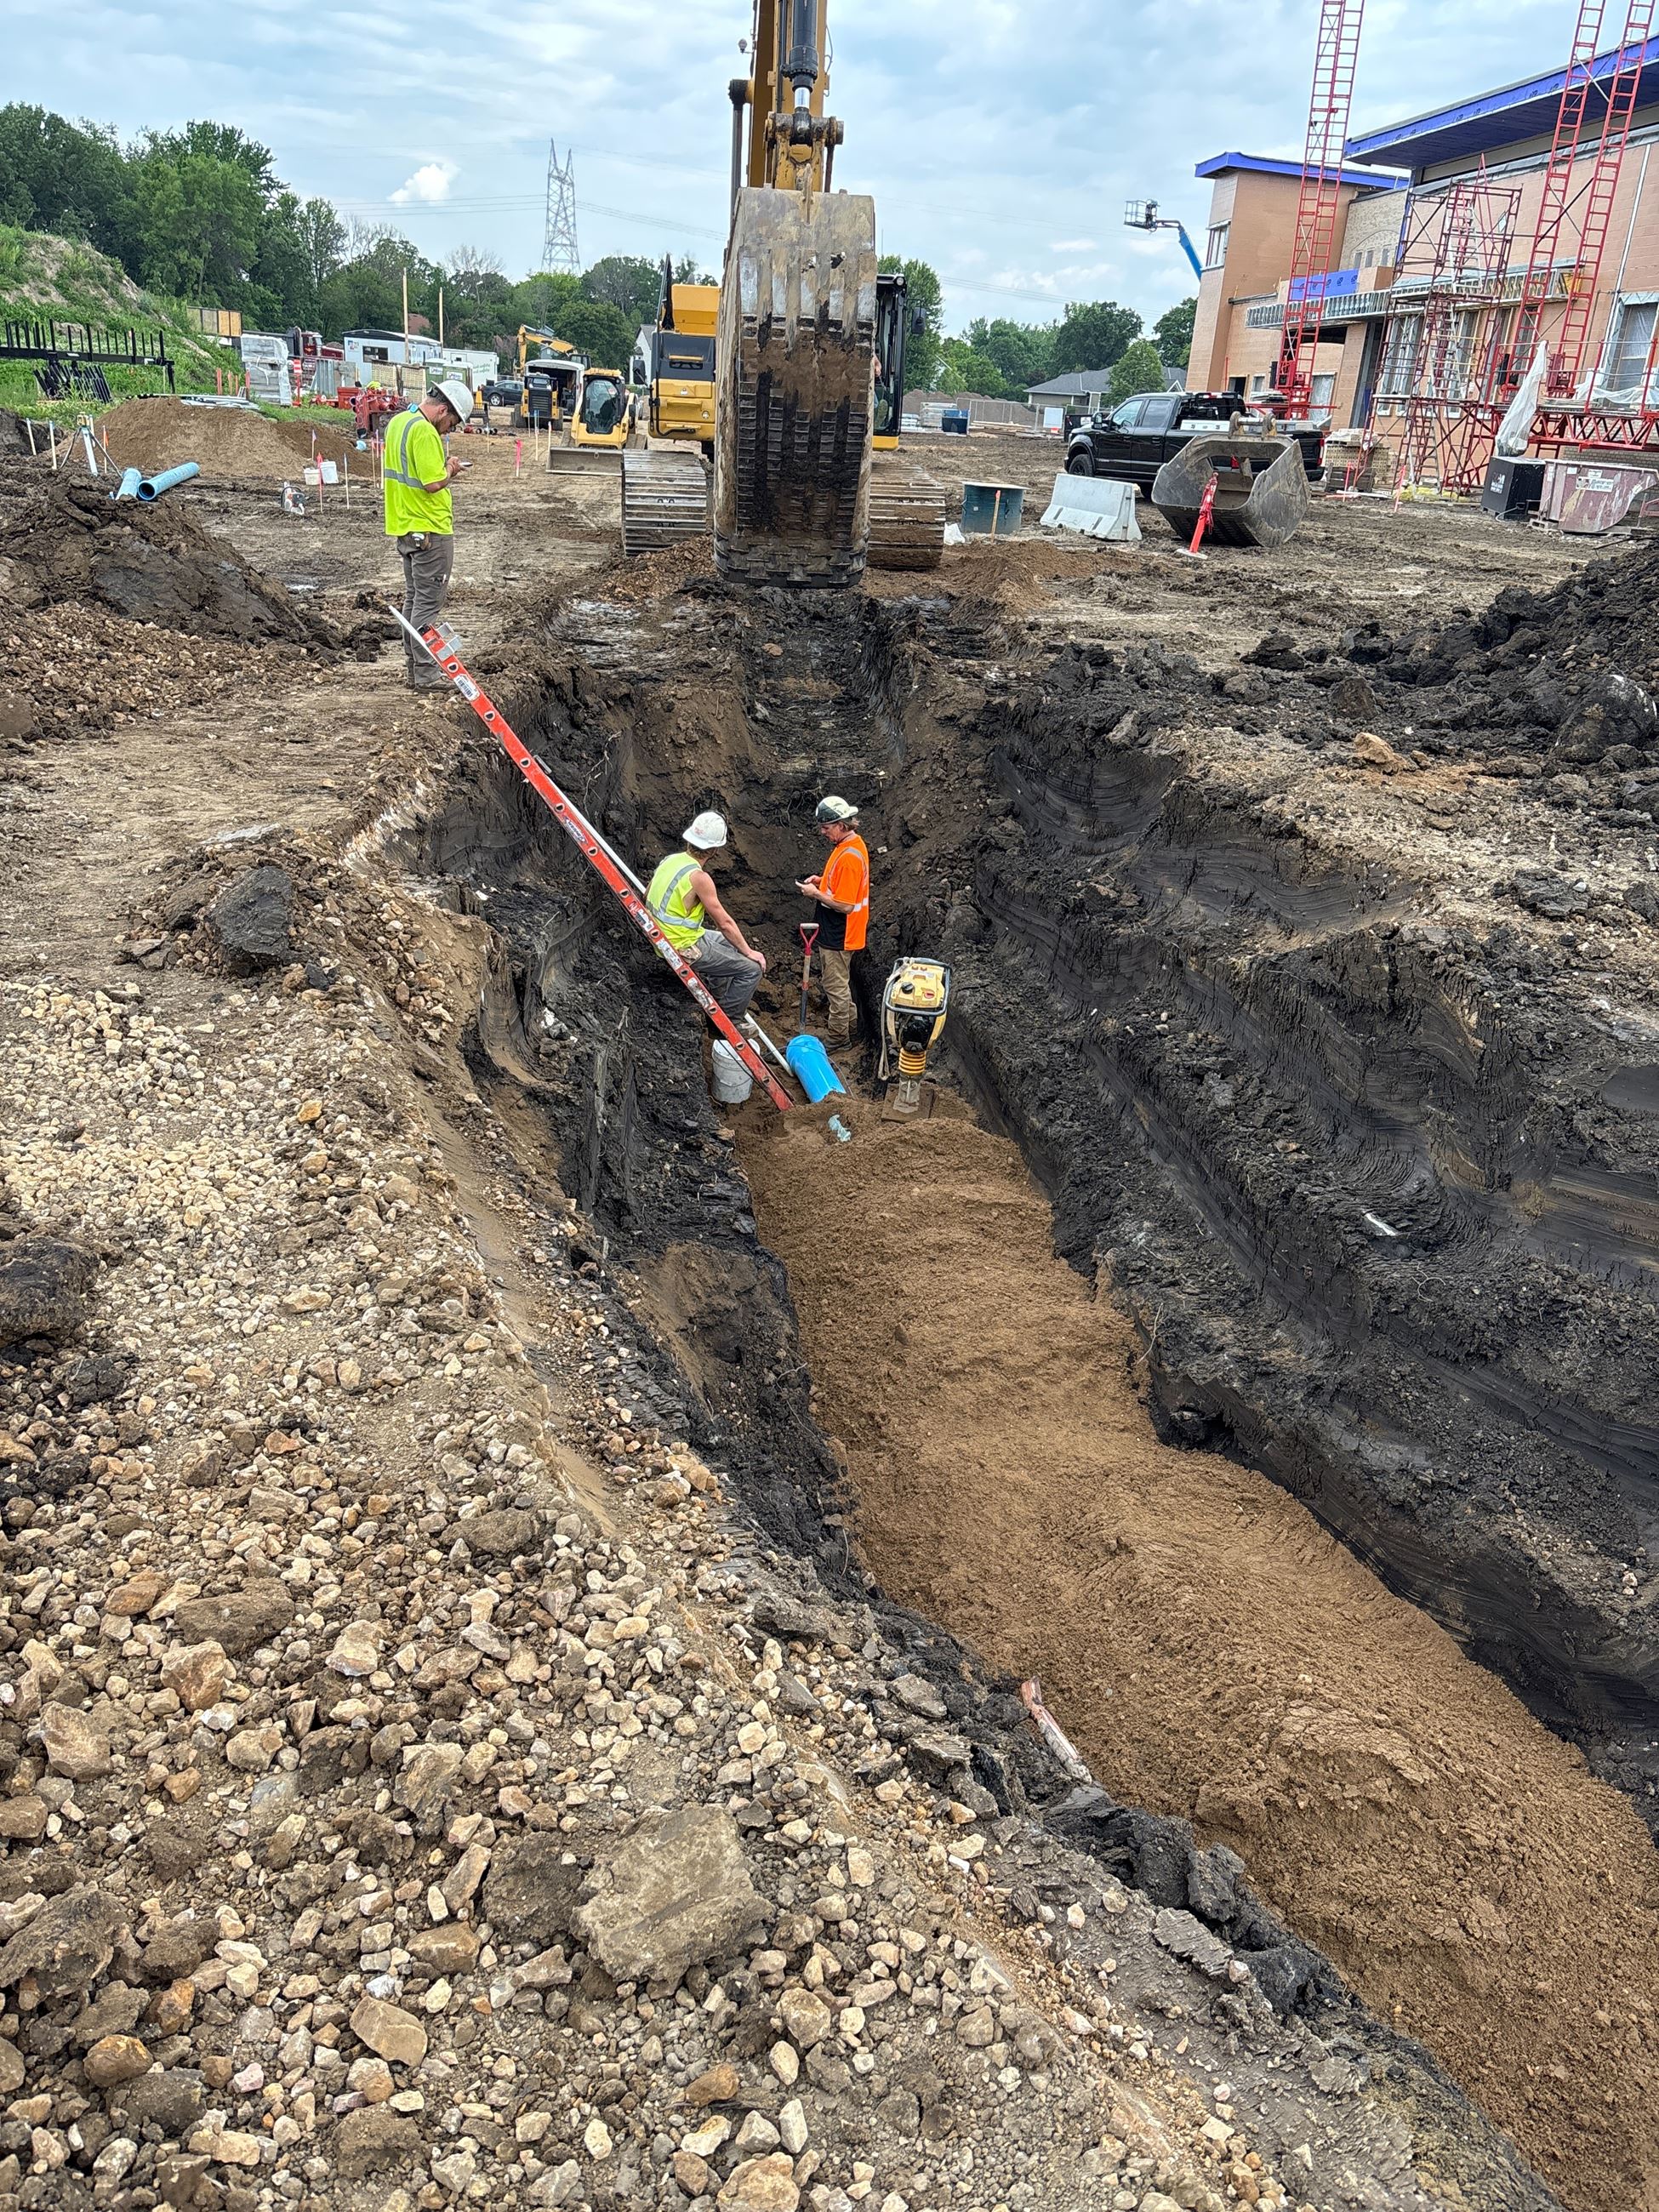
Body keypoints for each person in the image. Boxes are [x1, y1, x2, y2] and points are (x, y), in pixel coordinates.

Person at [383, 378, 474, 691]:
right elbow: (432, 482)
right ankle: (425, 675)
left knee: (414, 600)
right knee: (427, 604)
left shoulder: (399, 423)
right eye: (452, 422)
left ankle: (416, 669)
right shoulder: (424, 431)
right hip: (429, 529)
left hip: (406, 525)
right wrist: (451, 469)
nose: (449, 429)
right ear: (443, 410)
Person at [647, 812, 768, 1022]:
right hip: (682, 944)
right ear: (714, 850)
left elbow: (647, 894)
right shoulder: (699, 877)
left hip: (664, 935)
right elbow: (725, 923)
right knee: (751, 969)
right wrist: (750, 952)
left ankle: (718, 1000)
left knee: (730, 945)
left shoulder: (670, 860)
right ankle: (728, 1021)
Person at [796, 795, 869, 1047]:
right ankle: (852, 1029)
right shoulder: (849, 846)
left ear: (841, 824)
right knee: (839, 983)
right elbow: (841, 886)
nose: (823, 832)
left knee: (835, 985)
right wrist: (822, 880)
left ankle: (839, 1039)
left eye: (826, 828)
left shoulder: (849, 857)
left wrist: (816, 894)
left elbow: (847, 905)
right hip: (838, 930)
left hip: (840, 932)